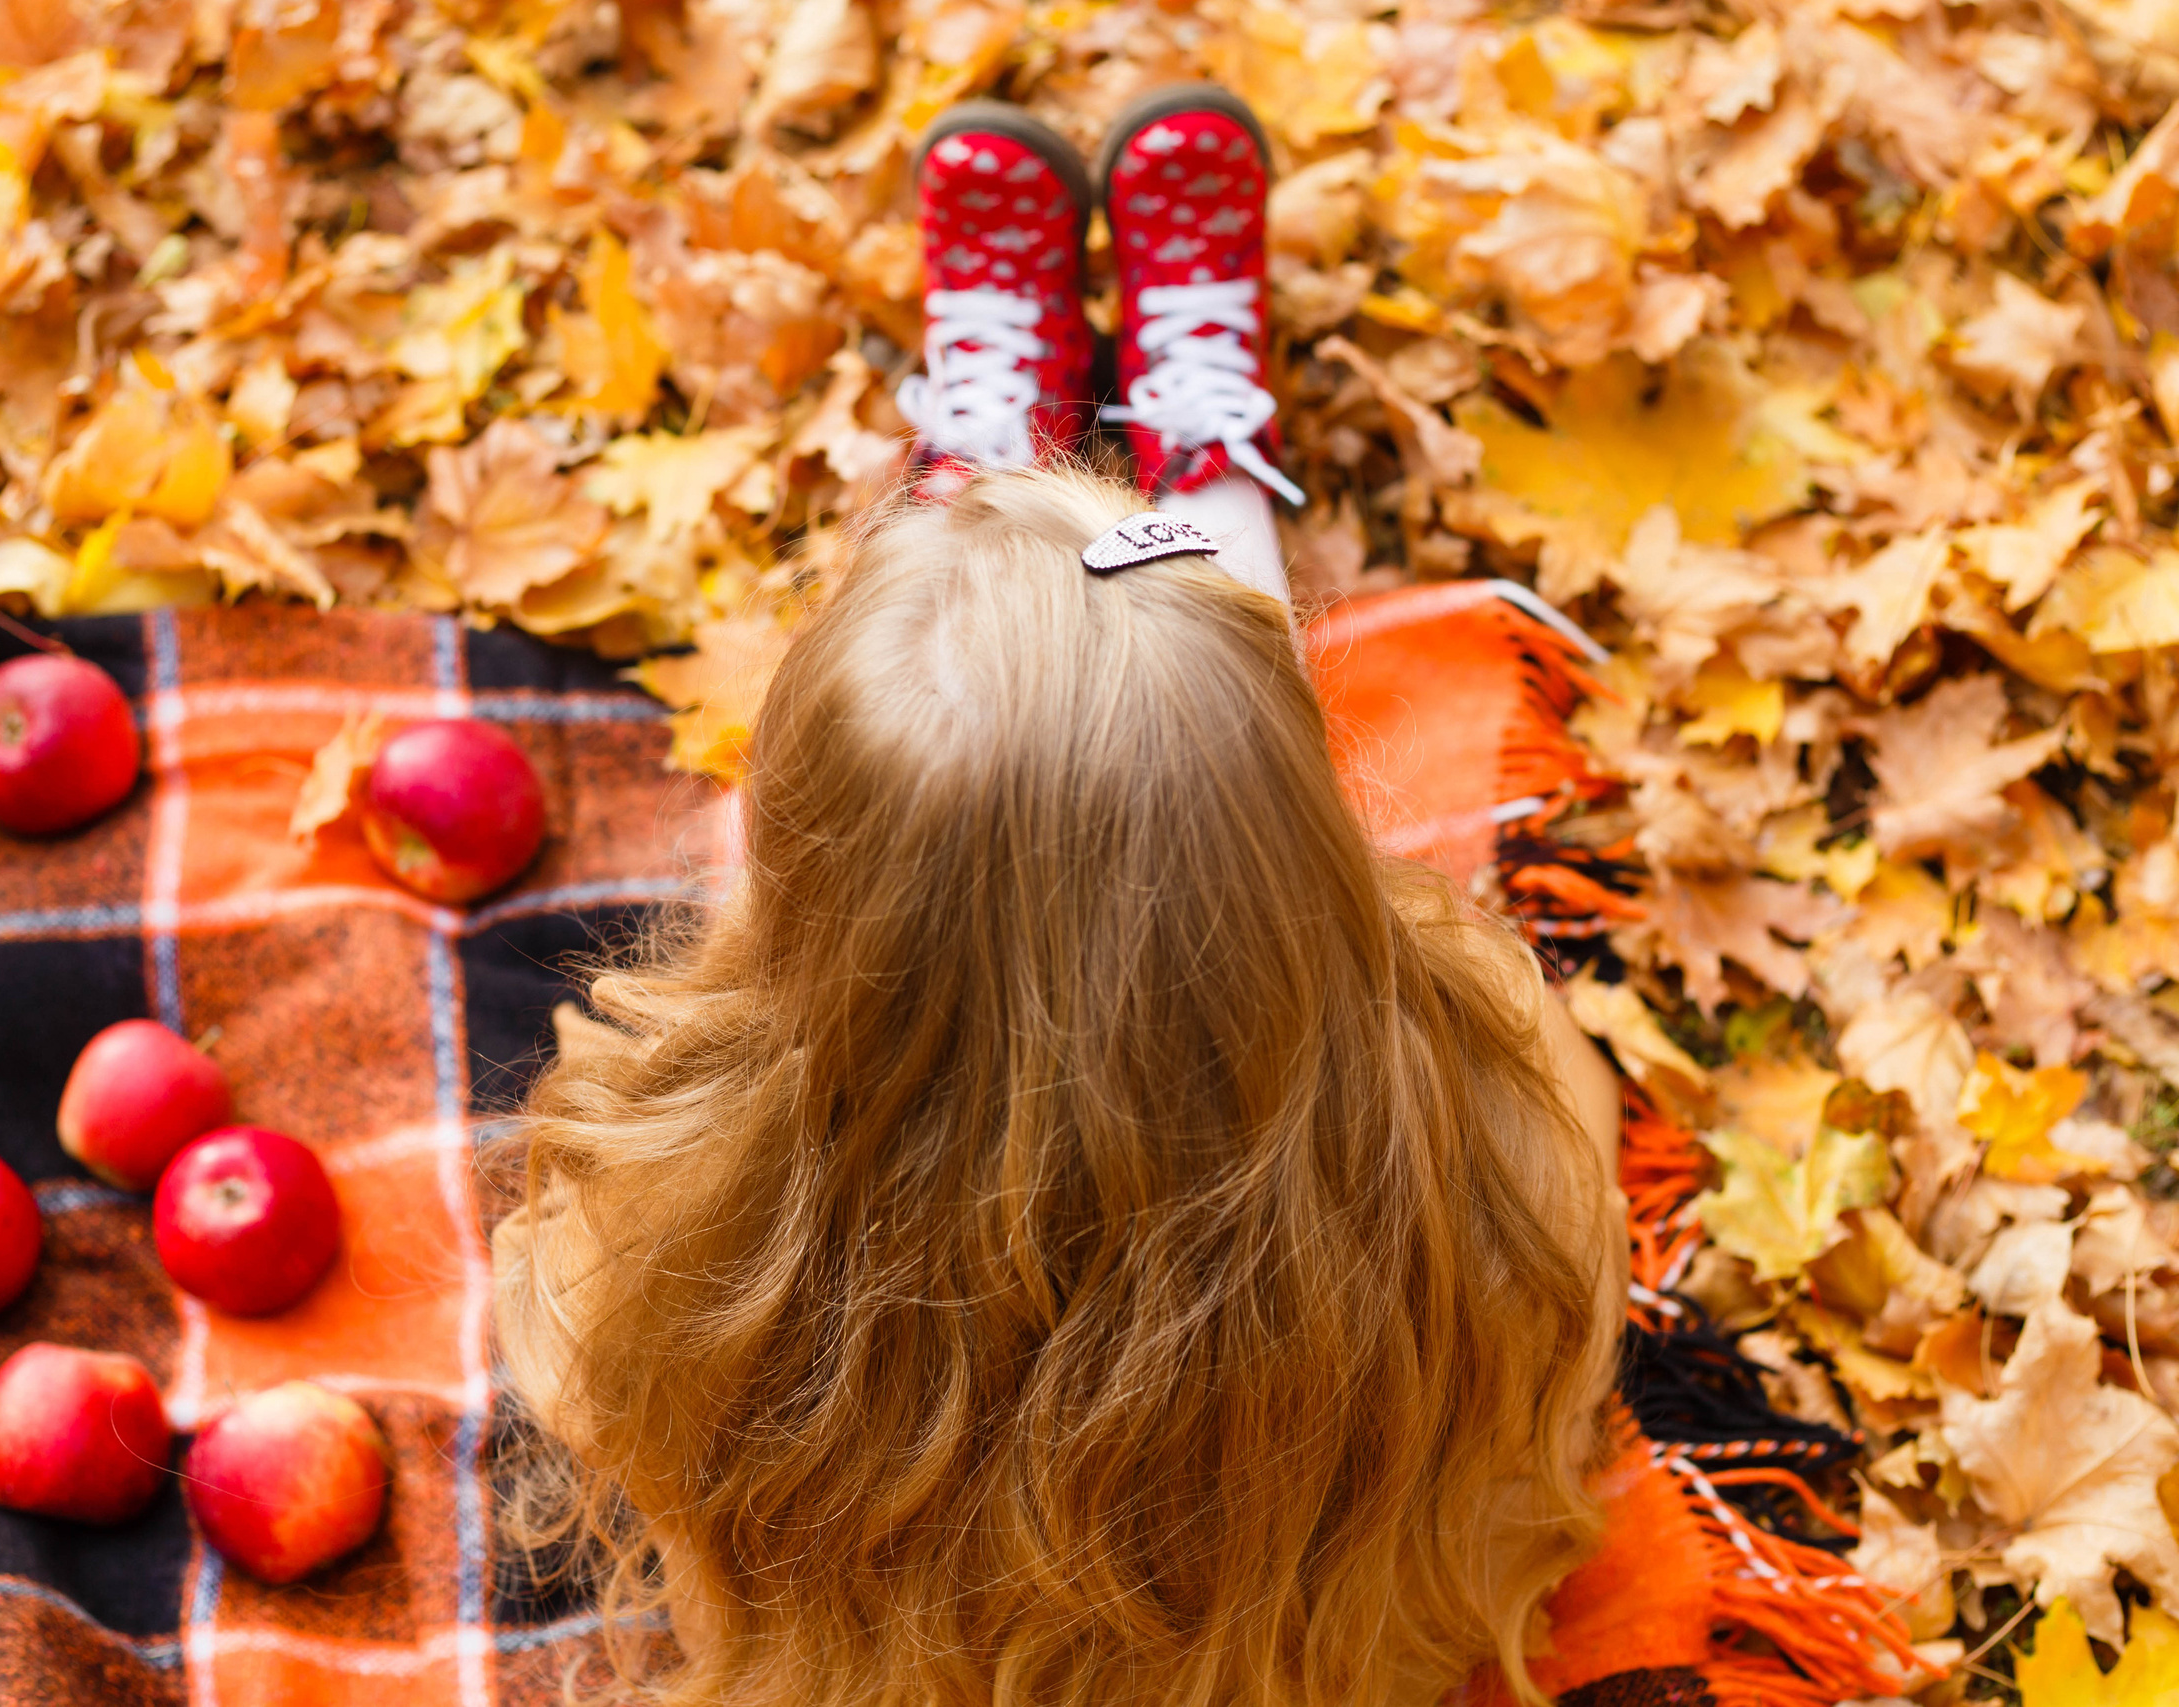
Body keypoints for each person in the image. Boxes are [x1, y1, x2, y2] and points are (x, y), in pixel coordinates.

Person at [489, 85, 1629, 1707]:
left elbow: (591, 1364)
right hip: (1297, 1659)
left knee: (944, 787)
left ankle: (985, 465)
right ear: (1313, 854)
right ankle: (1195, 488)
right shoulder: (1507, 1158)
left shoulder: (655, 1261)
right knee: (1145, 733)